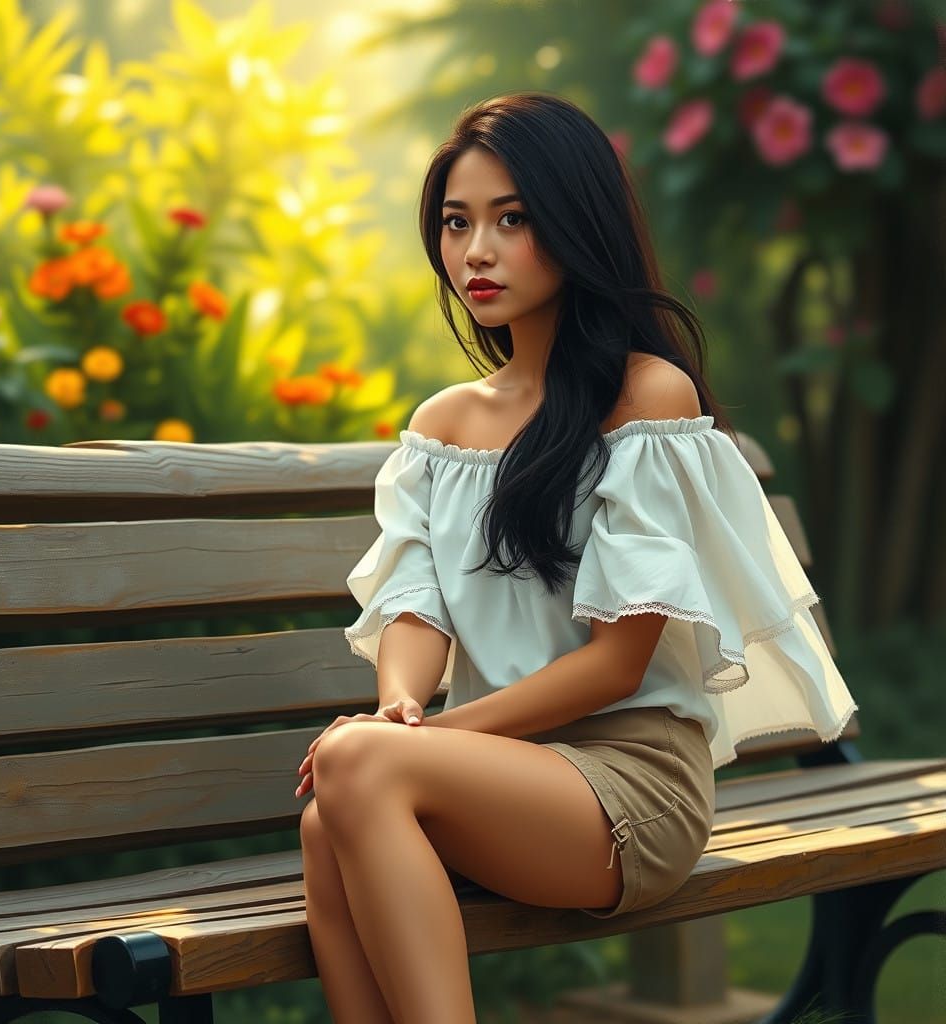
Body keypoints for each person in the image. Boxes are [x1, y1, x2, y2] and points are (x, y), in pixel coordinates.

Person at [295, 91, 859, 1024]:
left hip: (628, 784)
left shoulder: (645, 397)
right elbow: (416, 605)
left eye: (512, 220)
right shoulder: (443, 427)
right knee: (331, 811)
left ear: (574, 222)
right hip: (491, 776)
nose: (477, 250)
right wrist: (401, 704)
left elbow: (618, 661)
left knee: (359, 769)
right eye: (457, 222)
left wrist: (416, 743)